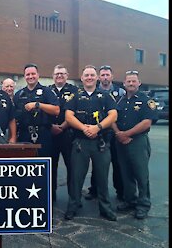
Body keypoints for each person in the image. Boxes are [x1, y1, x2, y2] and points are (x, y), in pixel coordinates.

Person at [64, 65, 118, 221]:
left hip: (100, 143)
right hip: (81, 142)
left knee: (102, 178)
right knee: (76, 178)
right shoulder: (75, 96)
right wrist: (84, 128)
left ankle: (105, 208)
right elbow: (68, 116)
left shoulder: (106, 96)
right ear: (82, 78)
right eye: (86, 75)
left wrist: (97, 127)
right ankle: (73, 206)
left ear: (97, 78)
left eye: (92, 75)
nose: (89, 77)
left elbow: (113, 115)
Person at [112, 70, 157, 219]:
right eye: (128, 81)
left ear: (139, 83)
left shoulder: (146, 100)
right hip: (121, 141)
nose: (131, 84)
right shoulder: (119, 100)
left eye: (134, 81)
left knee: (141, 174)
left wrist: (127, 134)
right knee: (126, 173)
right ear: (124, 83)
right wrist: (119, 133)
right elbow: (112, 118)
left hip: (138, 142)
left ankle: (143, 204)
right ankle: (130, 200)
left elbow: (146, 122)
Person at [13, 63, 59, 195]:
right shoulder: (19, 94)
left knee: (45, 166)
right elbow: (14, 118)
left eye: (33, 74)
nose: (30, 76)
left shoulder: (47, 92)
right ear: (24, 76)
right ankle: (28, 195)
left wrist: (38, 104)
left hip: (43, 133)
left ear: (38, 75)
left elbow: (56, 110)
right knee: (26, 167)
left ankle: (48, 196)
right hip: (25, 134)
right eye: (28, 74)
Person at [85, 65, 126, 201]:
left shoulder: (120, 92)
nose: (105, 77)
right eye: (102, 75)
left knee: (118, 163)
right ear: (99, 77)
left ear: (112, 77)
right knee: (98, 165)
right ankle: (94, 190)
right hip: (100, 134)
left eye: (107, 75)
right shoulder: (95, 92)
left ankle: (121, 191)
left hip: (116, 133)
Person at [48, 64, 78, 201]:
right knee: (50, 167)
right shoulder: (47, 91)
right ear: (53, 76)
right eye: (56, 74)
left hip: (68, 135)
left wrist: (62, 126)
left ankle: (74, 198)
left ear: (67, 75)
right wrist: (51, 126)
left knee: (72, 167)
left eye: (62, 73)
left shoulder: (74, 91)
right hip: (50, 135)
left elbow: (77, 113)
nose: (59, 76)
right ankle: (51, 195)